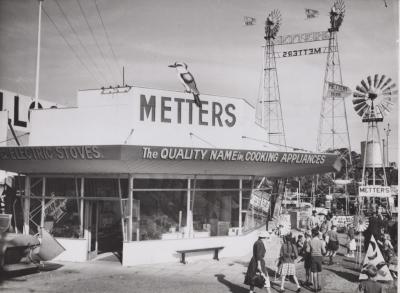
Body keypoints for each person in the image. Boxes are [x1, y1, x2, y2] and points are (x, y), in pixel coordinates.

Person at [307, 228, 326, 292]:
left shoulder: (310, 241)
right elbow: (324, 251)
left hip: (313, 257)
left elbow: (307, 250)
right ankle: (319, 285)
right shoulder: (321, 241)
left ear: (312, 234)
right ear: (317, 235)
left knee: (314, 272)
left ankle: (315, 288)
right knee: (319, 272)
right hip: (319, 257)